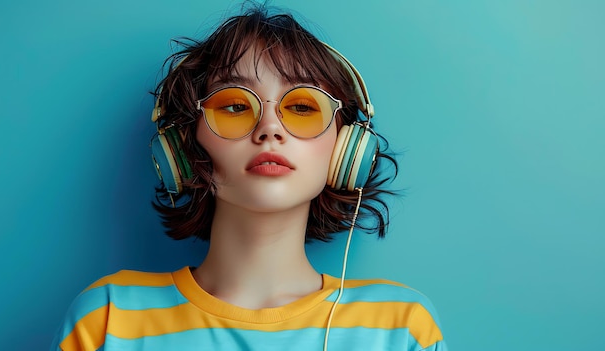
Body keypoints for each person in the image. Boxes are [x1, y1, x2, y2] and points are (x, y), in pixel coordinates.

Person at [52, 4, 447, 351]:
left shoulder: (400, 329)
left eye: (303, 107)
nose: (270, 128)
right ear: (186, 146)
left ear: (347, 149)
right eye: (237, 105)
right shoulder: (108, 319)